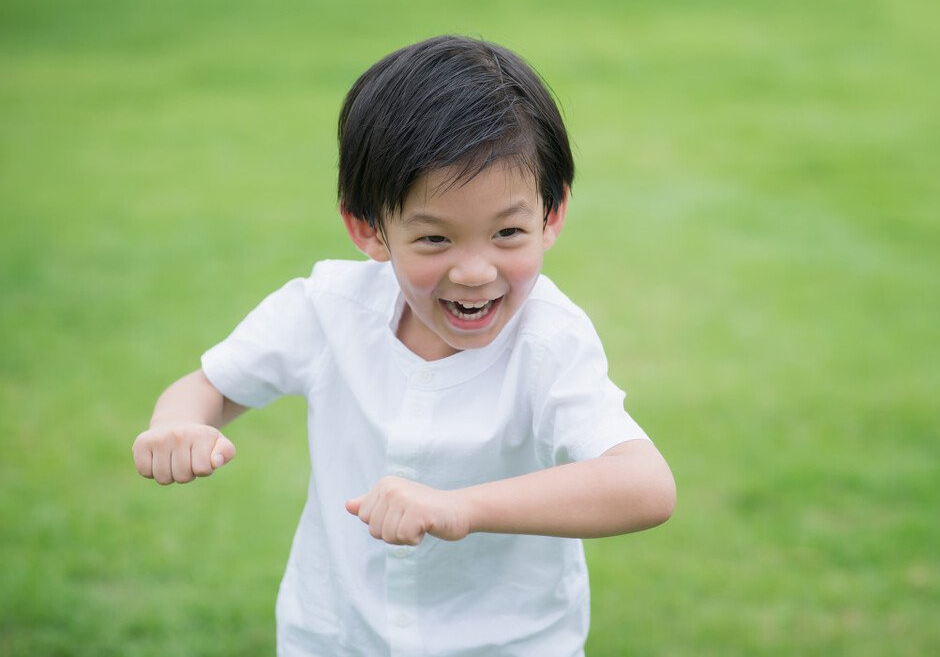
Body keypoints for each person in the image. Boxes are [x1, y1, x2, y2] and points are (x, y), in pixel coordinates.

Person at [131, 34, 676, 656]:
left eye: (508, 232)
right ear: (369, 229)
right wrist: (179, 425)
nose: (475, 271)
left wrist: (460, 508)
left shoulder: (551, 341)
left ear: (551, 217)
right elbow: (206, 389)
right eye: (435, 240)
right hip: (336, 637)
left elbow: (644, 486)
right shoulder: (327, 309)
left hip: (508, 645)